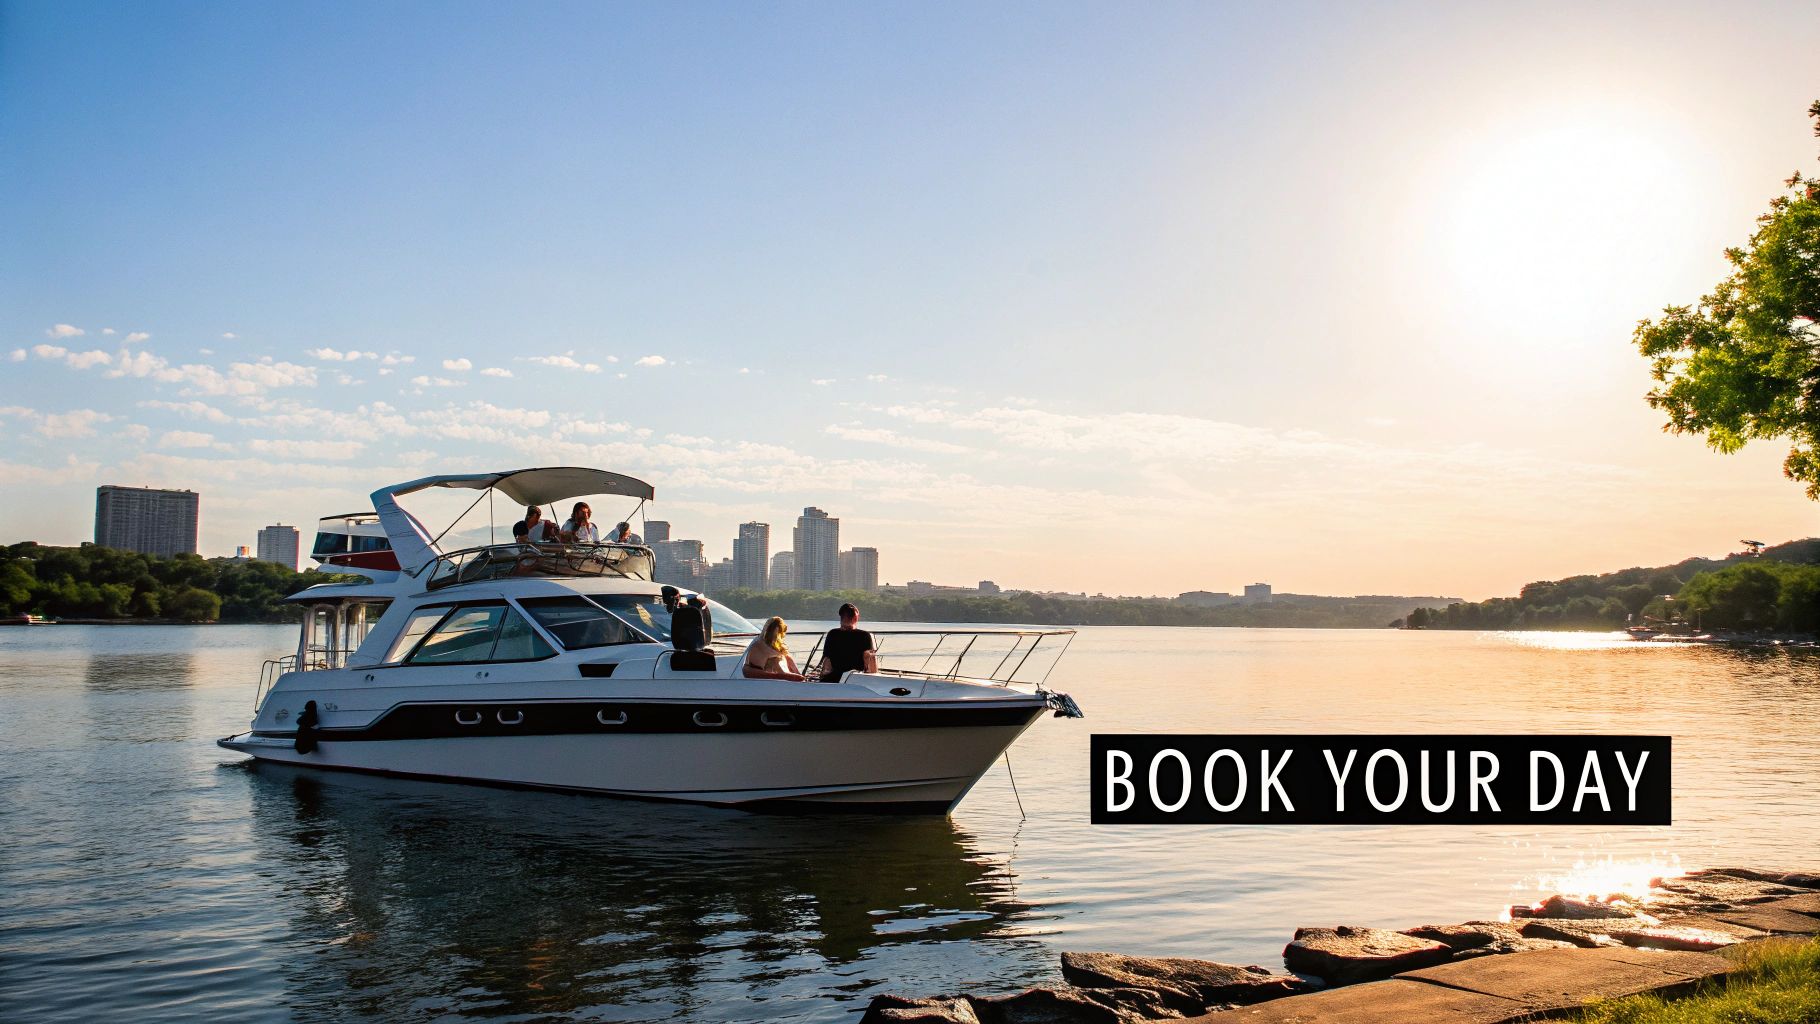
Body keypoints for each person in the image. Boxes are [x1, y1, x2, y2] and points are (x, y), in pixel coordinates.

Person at [818, 602, 878, 681]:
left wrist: (821, 676)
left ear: (841, 617)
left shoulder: (832, 634)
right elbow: (872, 663)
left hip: (834, 680)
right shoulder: (864, 636)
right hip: (855, 680)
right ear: (856, 618)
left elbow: (827, 665)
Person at [742, 616, 804, 681]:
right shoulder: (758, 647)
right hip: (767, 684)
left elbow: (797, 675)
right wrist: (781, 676)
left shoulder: (782, 652)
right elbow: (747, 672)